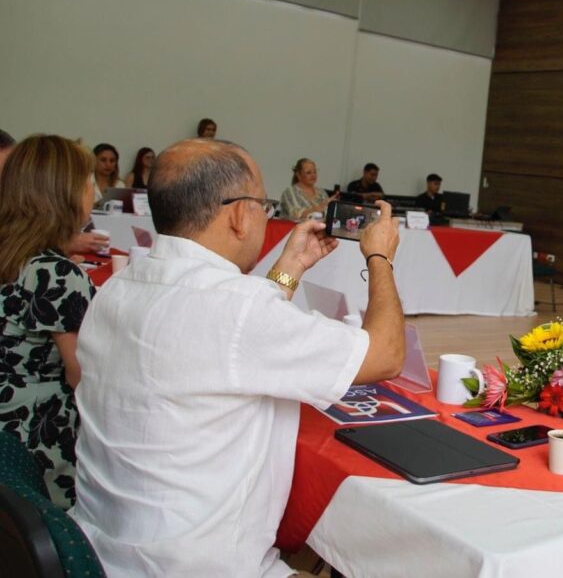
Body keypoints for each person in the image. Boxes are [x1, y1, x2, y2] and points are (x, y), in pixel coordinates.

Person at [72, 139, 405, 577]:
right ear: (237, 213)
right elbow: (385, 355)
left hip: (99, 551)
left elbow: (235, 339)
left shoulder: (118, 287)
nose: (266, 217)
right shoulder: (237, 309)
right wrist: (380, 256)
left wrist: (292, 266)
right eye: (264, 205)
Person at [0, 135, 96, 508]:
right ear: (65, 193)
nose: (96, 195)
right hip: (39, 442)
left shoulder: (18, 256)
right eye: (88, 183)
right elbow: (80, 374)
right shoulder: (57, 273)